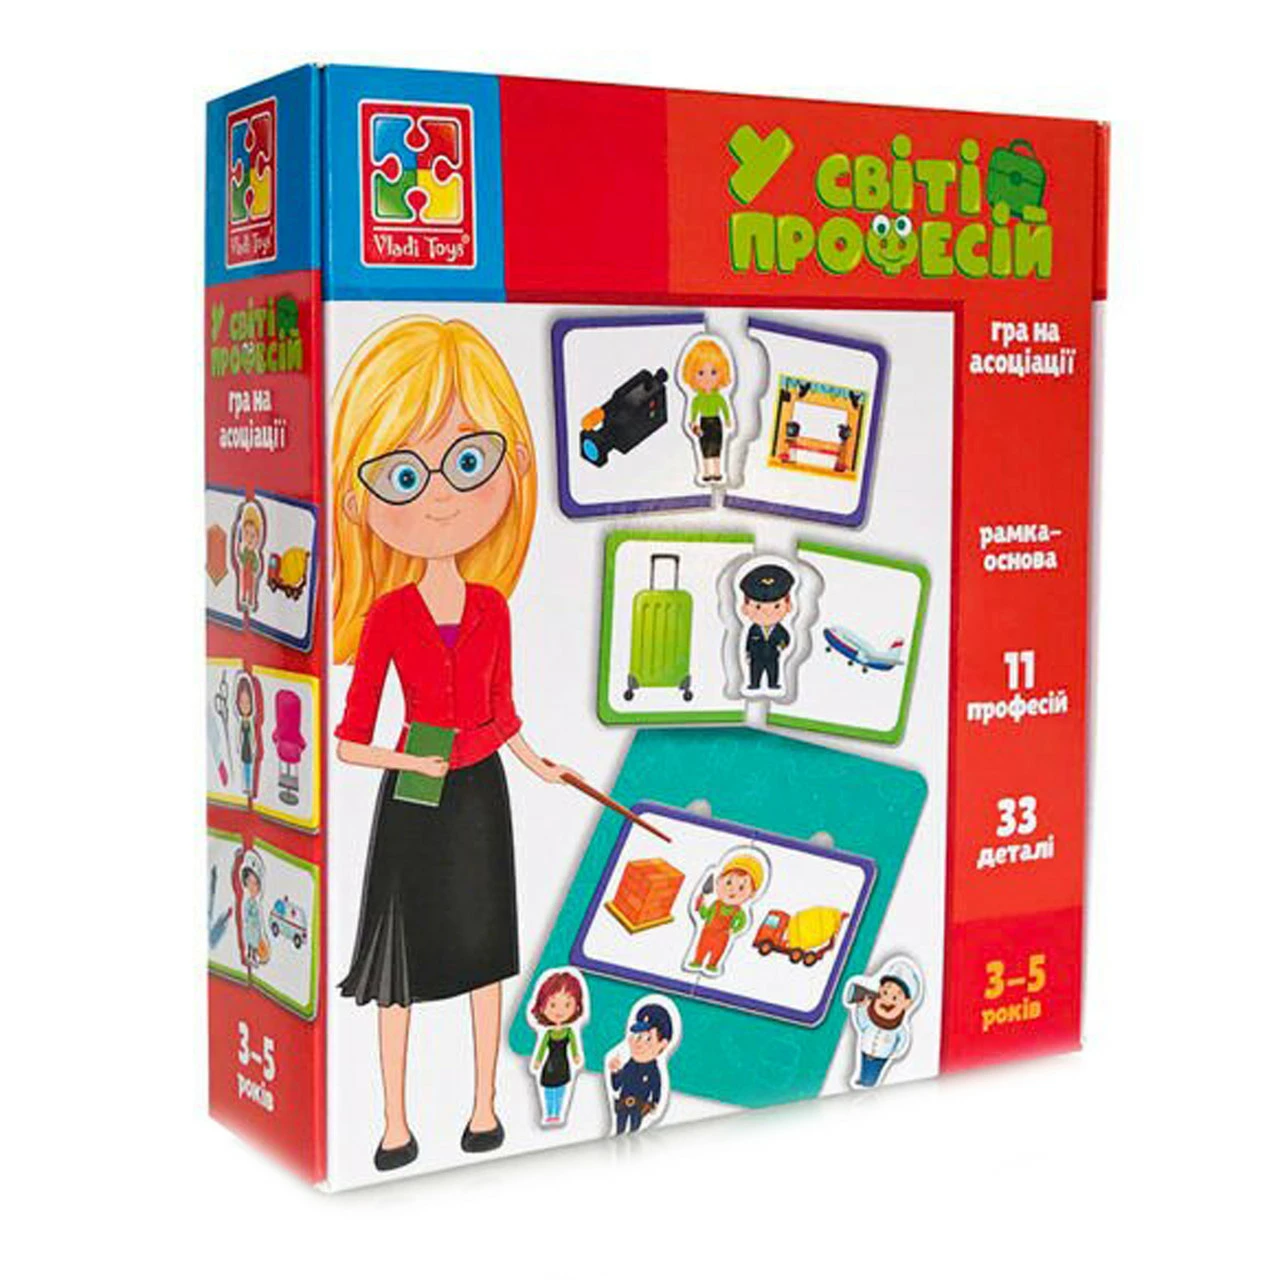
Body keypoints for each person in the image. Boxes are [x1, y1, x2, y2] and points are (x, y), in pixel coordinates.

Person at [331, 317, 577, 1172]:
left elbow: (502, 709)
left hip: (480, 788)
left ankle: (483, 1108)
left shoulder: (493, 609)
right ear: (360, 500)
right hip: (416, 792)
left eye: (468, 462)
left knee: (484, 952)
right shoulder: (387, 616)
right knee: (398, 969)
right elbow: (350, 742)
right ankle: (394, 1124)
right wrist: (411, 760)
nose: (439, 497)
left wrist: (538, 763)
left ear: (511, 468)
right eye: (405, 475)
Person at [685, 849, 766, 976]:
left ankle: (712, 964)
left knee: (718, 950)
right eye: (728, 882)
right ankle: (698, 960)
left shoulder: (738, 911)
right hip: (708, 931)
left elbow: (742, 922)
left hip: (723, 935)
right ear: (718, 881)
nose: (732, 890)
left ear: (752, 894)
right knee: (702, 946)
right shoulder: (716, 904)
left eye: (741, 887)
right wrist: (701, 906)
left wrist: (734, 929)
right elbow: (706, 915)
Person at [845, 958, 923, 1089]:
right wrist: (861, 1008)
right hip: (865, 1050)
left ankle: (870, 1083)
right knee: (864, 1067)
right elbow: (862, 1025)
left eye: (895, 997)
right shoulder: (871, 1015)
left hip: (882, 1056)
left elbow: (902, 1041)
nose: (887, 1000)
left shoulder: (898, 1029)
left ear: (906, 1003)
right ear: (879, 989)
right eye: (885, 992)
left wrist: (893, 1053)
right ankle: (863, 1080)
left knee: (874, 1072)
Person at [527, 969, 587, 1126]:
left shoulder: (569, 1032)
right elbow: (541, 1048)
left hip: (563, 1065)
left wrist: (576, 1056)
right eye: (553, 1005)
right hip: (549, 1065)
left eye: (567, 1005)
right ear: (542, 1006)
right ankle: (549, 1113)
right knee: (548, 1090)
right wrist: (538, 1061)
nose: (559, 1011)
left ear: (576, 1006)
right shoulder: (547, 1033)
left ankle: (557, 1113)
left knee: (560, 1090)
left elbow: (574, 1045)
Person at [606, 1002, 676, 1135]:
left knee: (634, 1132)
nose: (638, 1043)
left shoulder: (653, 1070)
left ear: (662, 1044)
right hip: (623, 1105)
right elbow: (616, 1086)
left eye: (648, 1038)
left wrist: (654, 1103)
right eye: (637, 1036)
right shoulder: (629, 1064)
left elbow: (656, 1087)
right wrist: (615, 1072)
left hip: (639, 1107)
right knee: (619, 1131)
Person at [681, 337, 734, 484]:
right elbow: (694, 411)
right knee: (704, 447)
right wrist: (693, 423)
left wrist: (728, 419)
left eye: (713, 372)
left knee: (716, 447)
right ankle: (706, 471)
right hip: (704, 422)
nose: (707, 379)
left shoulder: (718, 397)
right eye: (700, 373)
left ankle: (716, 472)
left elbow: (724, 407)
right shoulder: (697, 399)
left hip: (716, 422)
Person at [738, 563, 796, 692]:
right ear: (745, 608)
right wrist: (748, 653)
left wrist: (781, 646)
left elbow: (786, 638)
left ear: (788, 605)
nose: (767, 613)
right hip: (756, 656)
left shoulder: (780, 630)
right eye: (758, 607)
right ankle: (754, 684)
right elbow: (749, 641)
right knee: (755, 670)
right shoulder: (753, 629)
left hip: (772, 656)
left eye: (776, 606)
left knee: (773, 670)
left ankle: (773, 684)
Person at [235, 500, 265, 614]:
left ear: (258, 538)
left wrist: (255, 568)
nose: (249, 539)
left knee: (251, 588)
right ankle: (243, 600)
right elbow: (241, 557)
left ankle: (250, 601)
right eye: (246, 533)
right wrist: (238, 549)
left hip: (251, 573)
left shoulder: (253, 554)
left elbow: (256, 564)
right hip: (244, 571)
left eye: (253, 535)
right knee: (244, 587)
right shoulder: (245, 550)